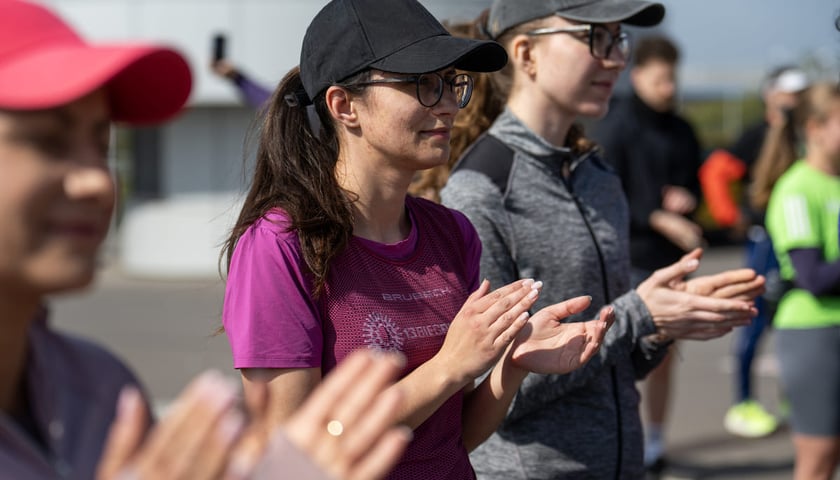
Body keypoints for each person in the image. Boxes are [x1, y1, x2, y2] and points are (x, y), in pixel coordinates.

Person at [0, 1, 411, 479]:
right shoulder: (278, 239)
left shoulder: (103, 393)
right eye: (47, 141)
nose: (96, 180)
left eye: (102, 143)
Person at [221, 0, 615, 478]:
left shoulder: (451, 233)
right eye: (423, 84)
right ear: (344, 105)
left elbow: (453, 437)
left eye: (453, 84)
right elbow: (287, 455)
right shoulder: (279, 245)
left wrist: (512, 365)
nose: (448, 102)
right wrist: (449, 366)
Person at [439, 0, 765, 478]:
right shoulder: (480, 189)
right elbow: (489, 391)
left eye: (619, 38)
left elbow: (611, 365)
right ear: (526, 54)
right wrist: (639, 315)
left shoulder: (598, 174)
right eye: (595, 37)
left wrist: (663, 321)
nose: (616, 57)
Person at [590, 34, 704, 471]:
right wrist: (655, 215)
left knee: (664, 354)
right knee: (623, 352)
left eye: (673, 79)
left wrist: (687, 200)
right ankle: (626, 434)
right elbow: (605, 192)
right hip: (629, 254)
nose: (669, 88)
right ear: (637, 76)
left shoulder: (682, 129)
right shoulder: (613, 126)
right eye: (660, 79)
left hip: (672, 257)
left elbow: (693, 183)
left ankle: (655, 438)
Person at [700, 66, 810, 439]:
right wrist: (731, 216)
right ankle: (744, 402)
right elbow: (715, 172)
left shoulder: (808, 135)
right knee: (755, 319)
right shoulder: (756, 135)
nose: (794, 99)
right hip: (766, 243)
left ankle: (792, 400)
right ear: (771, 94)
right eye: (788, 92)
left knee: (795, 325)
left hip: (803, 243)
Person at [762, 81, 840, 480]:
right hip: (813, 332)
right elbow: (813, 278)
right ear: (816, 129)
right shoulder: (796, 189)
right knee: (819, 456)